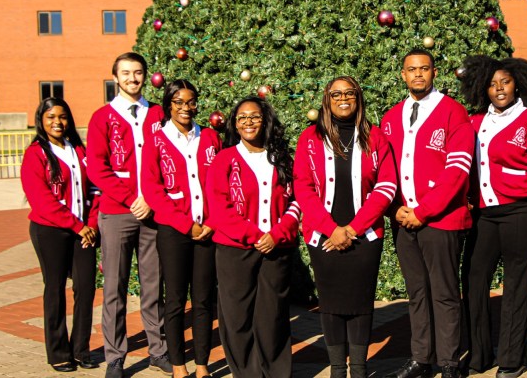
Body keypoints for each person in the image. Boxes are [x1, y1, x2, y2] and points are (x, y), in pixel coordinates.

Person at [458, 56, 527, 378]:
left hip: (523, 209)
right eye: (492, 84)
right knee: (474, 279)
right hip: (485, 214)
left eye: (504, 82)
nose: (499, 89)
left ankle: (513, 358)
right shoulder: (475, 122)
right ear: (482, 89)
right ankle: (479, 354)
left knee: (517, 284)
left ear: (517, 83)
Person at [294, 76, 397, 378]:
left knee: (361, 303)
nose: (343, 98)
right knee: (331, 303)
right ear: (327, 98)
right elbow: (303, 187)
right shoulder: (310, 138)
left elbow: (387, 185)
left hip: (364, 236)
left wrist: (351, 229)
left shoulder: (375, 137)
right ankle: (338, 370)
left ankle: (360, 370)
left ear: (358, 98)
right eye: (336, 93)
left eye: (349, 93)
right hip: (322, 236)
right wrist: (331, 229)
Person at [381, 49, 474, 378]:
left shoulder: (453, 112)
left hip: (440, 219)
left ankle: (449, 362)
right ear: (403, 75)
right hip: (403, 219)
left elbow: (458, 170)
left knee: (445, 292)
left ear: (435, 72)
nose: (417, 74)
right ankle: (422, 357)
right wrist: (397, 210)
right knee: (417, 292)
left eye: (424, 69)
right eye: (411, 70)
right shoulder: (391, 117)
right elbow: (383, 171)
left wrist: (424, 211)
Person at [86, 52, 171, 378]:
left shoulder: (159, 114)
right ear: (115, 77)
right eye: (125, 73)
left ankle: (158, 351)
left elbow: (168, 160)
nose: (132, 78)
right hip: (117, 213)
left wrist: (149, 198)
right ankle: (115, 356)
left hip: (152, 213)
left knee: (153, 286)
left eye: (137, 73)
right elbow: (97, 167)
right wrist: (131, 197)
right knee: (114, 288)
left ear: (145, 76)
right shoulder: (102, 117)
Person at [206, 97, 300, 377]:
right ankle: (247, 372)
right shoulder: (225, 158)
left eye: (255, 116)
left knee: (273, 316)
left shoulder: (281, 156)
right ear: (235, 124)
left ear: (266, 120)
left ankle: (277, 372)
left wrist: (278, 234)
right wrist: (256, 235)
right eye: (242, 117)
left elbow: (297, 201)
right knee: (237, 318)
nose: (249, 122)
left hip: (277, 247)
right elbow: (219, 206)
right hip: (236, 249)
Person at [141, 80, 221, 378]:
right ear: (168, 105)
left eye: (191, 102)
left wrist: (211, 222)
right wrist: (186, 225)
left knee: (203, 299)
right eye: (178, 102)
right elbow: (153, 190)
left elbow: (221, 183)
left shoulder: (211, 137)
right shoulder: (156, 141)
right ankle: (178, 365)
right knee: (175, 299)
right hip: (175, 231)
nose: (186, 108)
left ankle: (202, 364)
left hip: (208, 231)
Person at [21, 98, 99, 373]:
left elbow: (94, 191)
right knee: (55, 290)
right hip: (50, 230)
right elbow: (41, 200)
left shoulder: (78, 149)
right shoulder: (35, 154)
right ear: (41, 121)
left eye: (63, 116)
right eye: (51, 116)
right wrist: (77, 226)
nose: (58, 122)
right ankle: (58, 352)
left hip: (84, 232)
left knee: (86, 288)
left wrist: (90, 225)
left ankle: (81, 349)